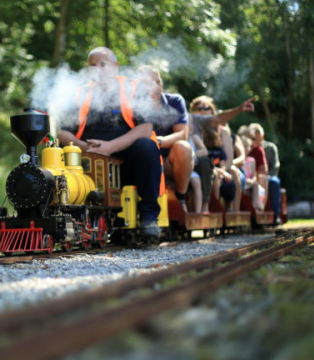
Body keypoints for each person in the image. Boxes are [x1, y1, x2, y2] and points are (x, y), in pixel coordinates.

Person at [57, 47, 162, 237]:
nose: (97, 69)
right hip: (86, 161)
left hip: (126, 160)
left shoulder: (133, 88)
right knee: (57, 150)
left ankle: (149, 218)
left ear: (115, 67)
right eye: (92, 66)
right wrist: (86, 148)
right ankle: (66, 217)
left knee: (147, 147)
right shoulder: (79, 93)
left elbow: (146, 128)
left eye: (102, 64)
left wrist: (110, 147)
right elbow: (61, 132)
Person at [136, 66, 194, 212]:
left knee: (184, 147)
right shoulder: (132, 103)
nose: (156, 86)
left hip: (168, 160)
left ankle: (181, 198)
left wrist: (158, 142)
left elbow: (182, 134)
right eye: (149, 83)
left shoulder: (175, 101)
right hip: (142, 160)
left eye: (158, 81)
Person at [188, 95, 255, 212]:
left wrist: (221, 171)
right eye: (198, 108)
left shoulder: (221, 131)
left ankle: (234, 211)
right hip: (203, 168)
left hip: (222, 170)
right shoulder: (191, 128)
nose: (202, 111)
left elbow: (228, 160)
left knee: (233, 173)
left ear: (212, 110)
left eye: (205, 108)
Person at [249, 123, 282, 223]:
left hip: (269, 175)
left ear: (262, 136)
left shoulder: (270, 147)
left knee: (274, 182)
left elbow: (276, 165)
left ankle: (276, 214)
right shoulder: (249, 148)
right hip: (253, 176)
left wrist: (268, 175)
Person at [203, 126, 236, 209]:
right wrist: (219, 172)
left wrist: (222, 173)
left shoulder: (219, 151)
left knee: (229, 183)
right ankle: (214, 205)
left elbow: (223, 164)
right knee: (215, 179)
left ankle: (226, 205)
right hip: (209, 173)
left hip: (219, 173)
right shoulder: (204, 150)